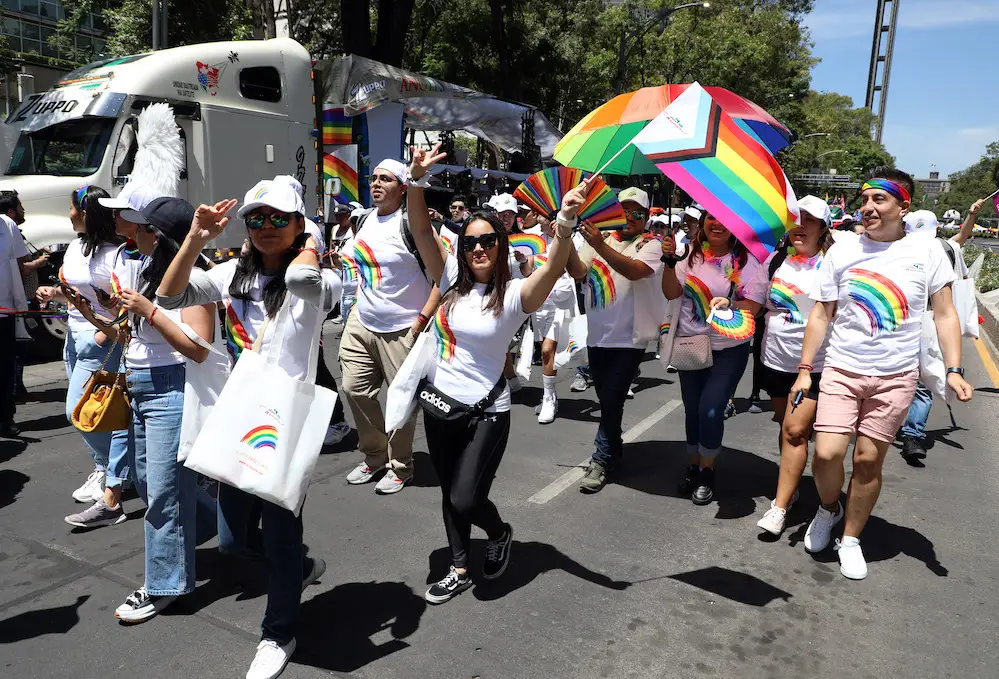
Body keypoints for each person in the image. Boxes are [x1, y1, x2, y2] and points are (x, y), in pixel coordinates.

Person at [158, 180, 339, 679]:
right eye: (255, 218)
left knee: (280, 535)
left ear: (300, 224)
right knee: (233, 541)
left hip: (288, 421)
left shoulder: (323, 278)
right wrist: (195, 238)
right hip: (242, 416)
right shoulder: (231, 275)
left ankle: (278, 633)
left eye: (279, 218)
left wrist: (312, 240)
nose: (265, 227)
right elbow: (168, 296)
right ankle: (299, 570)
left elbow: (301, 280)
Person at [405, 145, 581, 603]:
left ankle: (499, 533)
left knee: (466, 497)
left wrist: (564, 224)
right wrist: (415, 182)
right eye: (469, 243)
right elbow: (421, 229)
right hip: (439, 405)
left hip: (486, 412)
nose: (478, 248)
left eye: (487, 241)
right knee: (449, 491)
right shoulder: (448, 278)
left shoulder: (515, 294)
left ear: (501, 245)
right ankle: (459, 566)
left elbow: (554, 267)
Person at [792, 167, 973, 580]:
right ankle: (829, 508)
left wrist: (954, 369)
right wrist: (805, 369)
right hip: (842, 368)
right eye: (865, 199)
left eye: (880, 199)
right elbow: (821, 313)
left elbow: (946, 314)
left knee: (868, 460)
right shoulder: (843, 250)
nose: (868, 207)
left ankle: (851, 539)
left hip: (895, 376)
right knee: (827, 454)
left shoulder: (928, 252)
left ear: (903, 206)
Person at [78, 196, 219, 621]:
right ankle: (226, 528)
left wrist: (150, 311)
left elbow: (199, 347)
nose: (128, 231)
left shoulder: (193, 277)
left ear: (156, 236)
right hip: (140, 388)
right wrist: (93, 314)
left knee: (162, 493)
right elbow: (132, 339)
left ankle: (164, 584)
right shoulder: (147, 272)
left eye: (137, 226)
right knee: (152, 484)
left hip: (170, 391)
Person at [339, 159, 440, 494]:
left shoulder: (414, 225)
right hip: (362, 322)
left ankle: (400, 466)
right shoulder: (363, 220)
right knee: (353, 388)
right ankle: (375, 456)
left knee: (401, 402)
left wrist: (421, 321)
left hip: (403, 327)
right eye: (374, 178)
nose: (376, 184)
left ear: (403, 187)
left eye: (386, 179)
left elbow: (444, 277)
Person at [661, 209, 767, 505]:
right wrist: (669, 263)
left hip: (729, 349)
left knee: (710, 409)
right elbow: (671, 293)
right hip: (692, 345)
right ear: (703, 222)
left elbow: (754, 307)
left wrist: (731, 303)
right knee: (693, 410)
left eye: (725, 220)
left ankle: (707, 471)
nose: (717, 224)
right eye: (711, 218)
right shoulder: (689, 257)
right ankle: (694, 465)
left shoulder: (748, 262)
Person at [34, 187, 130, 513]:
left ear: (87, 213)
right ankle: (111, 472)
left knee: (79, 411)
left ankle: (111, 473)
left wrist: (105, 332)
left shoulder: (117, 254)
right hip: (74, 338)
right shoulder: (76, 246)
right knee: (99, 412)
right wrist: (54, 294)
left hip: (101, 341)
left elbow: (129, 300)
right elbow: (74, 293)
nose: (70, 214)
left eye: (73, 208)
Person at [567, 187, 664, 493]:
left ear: (646, 218)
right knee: (608, 401)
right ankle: (614, 448)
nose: (630, 217)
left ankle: (600, 460)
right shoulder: (601, 238)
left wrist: (598, 244)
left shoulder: (651, 244)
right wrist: (565, 235)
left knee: (611, 400)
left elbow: (634, 271)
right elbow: (578, 271)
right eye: (624, 211)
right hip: (598, 336)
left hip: (629, 339)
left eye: (637, 213)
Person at [754, 196, 835, 535]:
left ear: (823, 229)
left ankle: (780, 507)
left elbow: (837, 313)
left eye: (809, 220)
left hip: (815, 366)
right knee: (786, 426)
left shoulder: (832, 266)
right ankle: (793, 482)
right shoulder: (774, 261)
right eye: (796, 220)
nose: (800, 227)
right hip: (774, 361)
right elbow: (753, 303)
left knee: (795, 431)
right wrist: (728, 305)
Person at [895, 209, 970, 463]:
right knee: (923, 380)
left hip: (906, 320)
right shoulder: (948, 247)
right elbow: (961, 280)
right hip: (930, 321)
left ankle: (909, 432)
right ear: (936, 227)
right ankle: (909, 433)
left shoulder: (895, 246)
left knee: (912, 381)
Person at [529, 214, 576, 424]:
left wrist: (564, 236)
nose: (538, 220)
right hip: (539, 303)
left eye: (541, 217)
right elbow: (527, 269)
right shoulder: (534, 239)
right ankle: (550, 394)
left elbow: (578, 267)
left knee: (549, 350)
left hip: (560, 303)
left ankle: (548, 399)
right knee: (544, 351)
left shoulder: (570, 239)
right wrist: (523, 261)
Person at [0, 190, 34, 437]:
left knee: (4, 368)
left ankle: (5, 418)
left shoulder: (7, 224)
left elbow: (20, 265)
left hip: (5, 311)